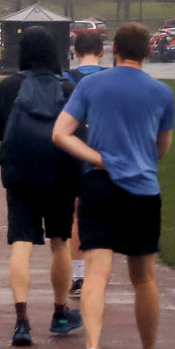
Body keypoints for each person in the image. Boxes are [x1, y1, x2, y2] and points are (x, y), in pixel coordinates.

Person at [51, 23, 175, 349]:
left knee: (96, 273)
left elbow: (60, 134)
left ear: (114, 49)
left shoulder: (90, 85)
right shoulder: (162, 92)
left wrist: (98, 158)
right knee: (144, 278)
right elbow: (161, 149)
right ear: (148, 52)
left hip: (99, 186)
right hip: (142, 190)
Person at [0, 27, 82, 347]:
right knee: (60, 243)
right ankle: (60, 312)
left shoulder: (10, 86)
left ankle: (22, 321)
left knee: (21, 244)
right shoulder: (68, 88)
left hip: (20, 175)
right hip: (60, 175)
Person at [64, 29, 109, 295]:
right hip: (107, 155)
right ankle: (98, 273)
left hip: (76, 153)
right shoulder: (112, 79)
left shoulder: (66, 79)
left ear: (75, 52)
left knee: (76, 216)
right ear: (103, 52)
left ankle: (79, 275)